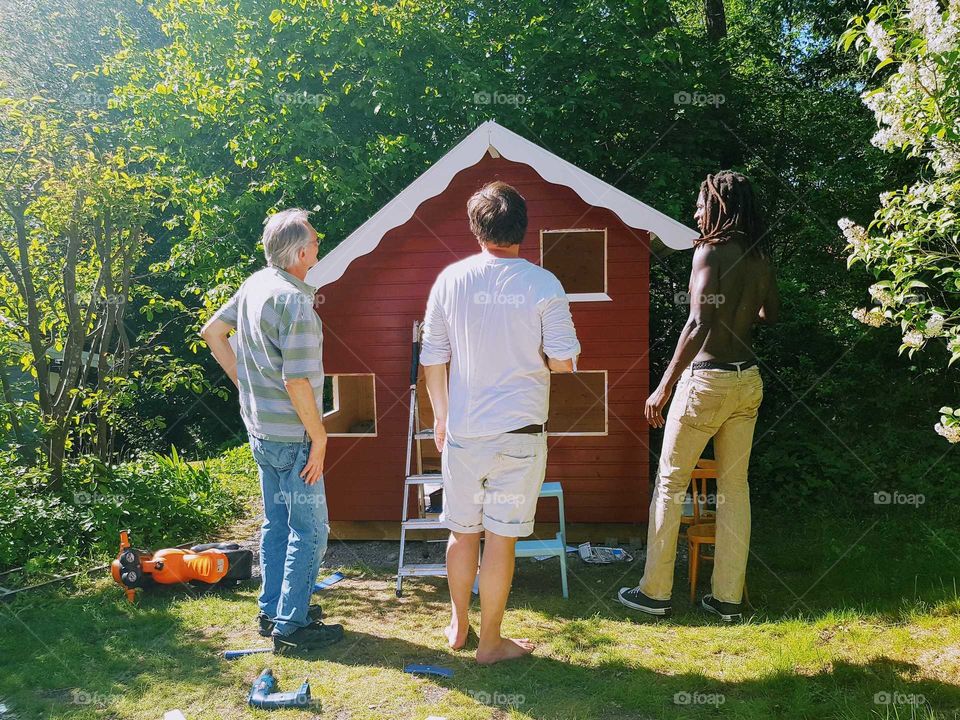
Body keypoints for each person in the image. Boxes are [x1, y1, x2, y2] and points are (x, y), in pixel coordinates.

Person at [420, 181, 581, 664]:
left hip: (463, 434)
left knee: (462, 533)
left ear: (476, 228)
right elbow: (564, 363)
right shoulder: (543, 283)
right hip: (520, 436)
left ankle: (457, 623)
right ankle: (490, 644)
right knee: (502, 539)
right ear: (523, 229)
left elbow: (432, 358)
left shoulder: (449, 279)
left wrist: (440, 416)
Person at [617, 171, 779, 623]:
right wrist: (745, 303)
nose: (695, 212)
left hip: (705, 383)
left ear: (719, 207)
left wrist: (664, 385)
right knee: (735, 489)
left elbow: (697, 323)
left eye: (700, 204)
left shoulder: (710, 251)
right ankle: (727, 600)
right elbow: (772, 313)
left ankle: (655, 593)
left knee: (670, 483)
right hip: (747, 383)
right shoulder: (759, 255)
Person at [200, 208, 344, 653]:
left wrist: (245, 384)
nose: (319, 246)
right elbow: (297, 380)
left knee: (277, 523)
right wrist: (319, 437)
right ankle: (291, 627)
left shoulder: (255, 284)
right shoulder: (295, 300)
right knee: (311, 530)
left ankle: (274, 610)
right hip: (294, 438)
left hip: (261, 432)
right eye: (316, 242)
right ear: (301, 253)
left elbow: (212, 333)